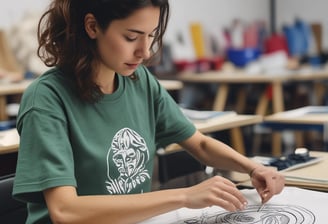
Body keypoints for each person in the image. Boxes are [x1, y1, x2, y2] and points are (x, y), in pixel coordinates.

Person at [13, 0, 285, 223]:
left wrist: (253, 167)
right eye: (131, 37)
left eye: (151, 36)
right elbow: (65, 211)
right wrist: (185, 196)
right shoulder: (47, 98)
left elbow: (199, 143)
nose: (144, 51)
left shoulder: (139, 81)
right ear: (93, 26)